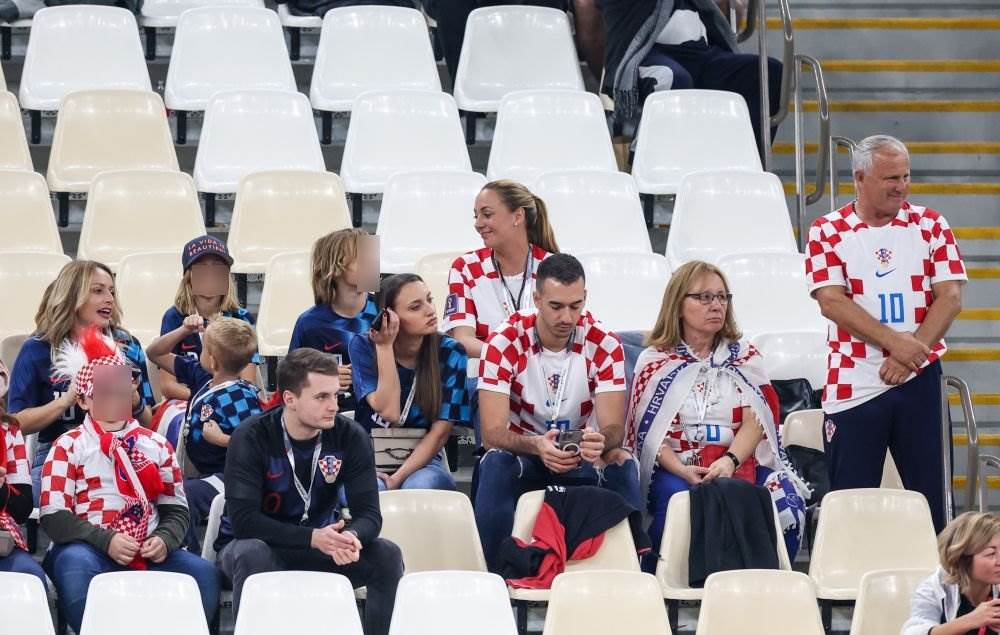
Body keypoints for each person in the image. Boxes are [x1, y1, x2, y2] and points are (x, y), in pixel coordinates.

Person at [806, 135, 966, 533]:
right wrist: (896, 344)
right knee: (850, 500)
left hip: (919, 377)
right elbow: (831, 302)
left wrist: (909, 355)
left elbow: (950, 296)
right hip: (853, 378)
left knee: (931, 495)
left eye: (906, 176)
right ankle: (846, 590)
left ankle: (940, 589)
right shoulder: (828, 230)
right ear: (860, 178)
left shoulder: (931, 224)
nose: (901, 186)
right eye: (890, 177)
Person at [624, 260, 808, 569]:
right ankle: (670, 586)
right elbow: (648, 434)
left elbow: (757, 420)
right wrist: (682, 471)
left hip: (735, 462)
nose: (716, 305)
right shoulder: (655, 361)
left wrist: (730, 461)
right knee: (679, 500)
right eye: (704, 297)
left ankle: (772, 583)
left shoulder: (745, 356)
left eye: (722, 297)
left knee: (785, 496)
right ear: (678, 304)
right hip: (677, 468)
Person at [39, 327, 219, 634]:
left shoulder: (155, 444)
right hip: (89, 547)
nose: (117, 400)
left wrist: (164, 539)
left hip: (147, 543)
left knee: (202, 575)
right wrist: (106, 540)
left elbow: (177, 510)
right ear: (83, 399)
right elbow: (54, 517)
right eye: (107, 394)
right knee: (74, 568)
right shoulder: (68, 445)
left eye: (123, 393)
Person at [217, 348, 403, 635]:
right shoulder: (251, 436)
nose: (334, 406)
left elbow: (369, 515)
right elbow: (244, 523)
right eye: (321, 397)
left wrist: (350, 538)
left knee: (387, 555)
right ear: (289, 399)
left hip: (322, 545)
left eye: (335, 396)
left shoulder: (351, 436)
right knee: (252, 553)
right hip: (261, 547)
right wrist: (313, 537)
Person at [474, 253, 642, 570]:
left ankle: (634, 573)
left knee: (621, 461)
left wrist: (599, 442)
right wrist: (537, 444)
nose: (567, 317)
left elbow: (614, 429)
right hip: (526, 451)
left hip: (581, 452)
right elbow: (492, 431)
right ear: (536, 299)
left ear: (585, 299)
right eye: (556, 306)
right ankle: (495, 576)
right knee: (495, 462)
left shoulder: (604, 343)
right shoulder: (503, 341)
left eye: (575, 306)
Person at [8, 260, 154, 504]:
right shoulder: (39, 349)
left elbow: (148, 424)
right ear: (72, 295)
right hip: (57, 455)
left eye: (112, 291)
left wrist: (135, 400)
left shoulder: (127, 345)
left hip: (120, 453)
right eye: (98, 290)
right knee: (17, 505)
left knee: (167, 495)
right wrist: (65, 401)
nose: (109, 298)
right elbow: (17, 423)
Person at [444, 180, 558, 443]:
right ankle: (497, 462)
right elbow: (462, 338)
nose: (478, 223)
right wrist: (508, 361)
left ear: (518, 216)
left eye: (487, 214)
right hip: (487, 375)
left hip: (544, 375)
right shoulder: (466, 267)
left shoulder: (552, 267)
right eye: (476, 216)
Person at [598, 0, 780, 150]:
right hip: (646, 53)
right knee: (672, 78)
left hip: (700, 53)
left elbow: (733, 12)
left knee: (766, 72)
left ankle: (746, 166)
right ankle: (649, 170)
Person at [147, 317, 262, 551]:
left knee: (183, 496)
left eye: (204, 347)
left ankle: (186, 552)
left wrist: (222, 439)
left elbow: (260, 448)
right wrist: (183, 329)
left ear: (212, 359)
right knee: (158, 487)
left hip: (230, 477)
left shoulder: (243, 397)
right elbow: (154, 353)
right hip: (199, 469)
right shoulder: (201, 375)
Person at [350, 273, 469, 491]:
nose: (430, 310)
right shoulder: (364, 346)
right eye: (415, 307)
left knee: (419, 486)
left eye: (429, 300)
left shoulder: (451, 351)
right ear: (389, 316)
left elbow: (441, 432)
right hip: (370, 455)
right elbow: (389, 412)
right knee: (374, 489)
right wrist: (385, 347)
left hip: (424, 458)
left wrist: (397, 478)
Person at [289, 228, 380, 412]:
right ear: (336, 268)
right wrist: (322, 379)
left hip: (381, 416)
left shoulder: (386, 313)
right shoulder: (309, 324)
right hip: (330, 418)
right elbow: (289, 381)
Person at [159, 235, 258, 401]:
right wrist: (205, 400)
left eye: (217, 267)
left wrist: (218, 401)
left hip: (232, 399)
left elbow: (248, 380)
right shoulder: (174, 317)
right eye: (202, 267)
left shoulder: (242, 318)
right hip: (186, 401)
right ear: (189, 275)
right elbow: (167, 386)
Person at [903, 511, 1000, 635]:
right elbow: (913, 632)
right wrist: (971, 620)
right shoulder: (934, 588)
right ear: (961, 558)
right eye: (991, 554)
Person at [0, 379, 46, 587]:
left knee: (30, 578)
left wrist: (1, 489)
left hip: (3, 536)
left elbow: (22, 508)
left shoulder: (9, 430)